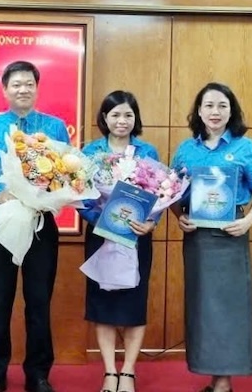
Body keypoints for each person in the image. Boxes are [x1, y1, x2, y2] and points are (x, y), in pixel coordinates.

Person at [0, 61, 70, 392]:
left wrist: (51, 191)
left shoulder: (55, 128)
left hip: (42, 225)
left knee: (39, 301)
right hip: (4, 224)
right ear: (5, 90)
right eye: (16, 84)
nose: (23, 89)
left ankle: (38, 372)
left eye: (29, 84)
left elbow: (67, 174)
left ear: (37, 87)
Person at [170, 82, 252, 392]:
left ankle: (223, 382)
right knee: (203, 306)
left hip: (231, 235)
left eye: (222, 106)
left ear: (231, 111)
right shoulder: (187, 149)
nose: (215, 111)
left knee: (229, 307)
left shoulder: (245, 147)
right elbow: (170, 192)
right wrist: (179, 216)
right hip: (198, 240)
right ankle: (212, 376)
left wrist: (250, 219)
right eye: (209, 105)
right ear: (199, 111)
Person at [79, 91, 159, 392]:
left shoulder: (147, 152)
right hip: (101, 237)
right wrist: (97, 218)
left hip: (136, 238)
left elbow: (161, 194)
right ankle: (110, 371)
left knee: (134, 303)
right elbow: (81, 197)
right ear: (104, 118)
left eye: (128, 114)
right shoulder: (90, 153)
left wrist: (151, 223)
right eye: (115, 115)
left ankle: (128, 371)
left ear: (135, 118)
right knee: (104, 304)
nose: (121, 121)